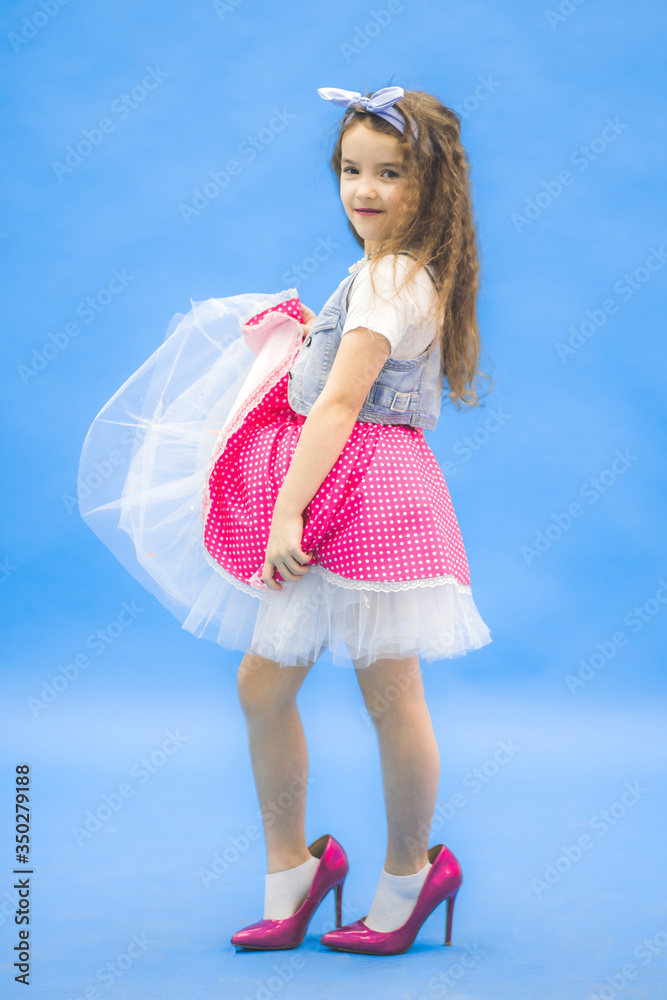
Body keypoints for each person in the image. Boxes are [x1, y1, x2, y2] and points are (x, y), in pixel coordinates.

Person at [78, 83, 494, 956]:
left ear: (433, 184)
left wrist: (286, 511)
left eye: (389, 173)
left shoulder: (387, 276)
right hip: (371, 487)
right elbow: (347, 373)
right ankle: (333, 874)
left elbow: (342, 403)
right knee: (319, 690)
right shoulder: (394, 272)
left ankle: (387, 877)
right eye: (350, 170)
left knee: (363, 693)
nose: (364, 190)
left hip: (355, 496)